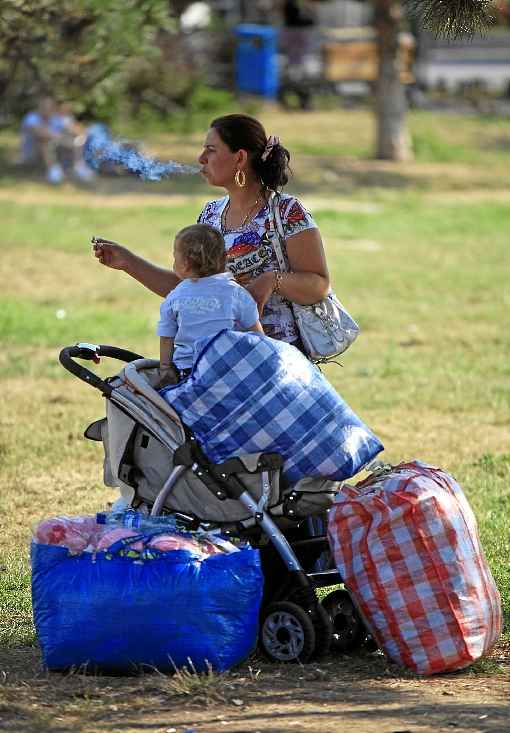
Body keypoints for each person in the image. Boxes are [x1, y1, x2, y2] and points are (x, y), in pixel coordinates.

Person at [93, 113, 330, 352]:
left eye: (211, 150)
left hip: (279, 359)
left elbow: (319, 286)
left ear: (239, 158)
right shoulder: (210, 215)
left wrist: (271, 281)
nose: (201, 158)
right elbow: (189, 289)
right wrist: (128, 262)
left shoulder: (286, 211)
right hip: (218, 358)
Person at [157, 223, 263, 386]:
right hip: (228, 372)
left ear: (184, 264)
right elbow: (258, 337)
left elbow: (166, 337)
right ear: (224, 258)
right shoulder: (236, 293)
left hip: (187, 372)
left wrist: (165, 369)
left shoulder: (175, 297)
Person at [19, 97, 94, 184]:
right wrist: (61, 138)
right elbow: (40, 133)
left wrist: (80, 134)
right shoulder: (31, 118)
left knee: (76, 141)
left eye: (50, 108)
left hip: (54, 148)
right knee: (44, 141)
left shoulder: (55, 118)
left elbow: (72, 129)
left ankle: (79, 167)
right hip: (32, 153)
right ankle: (53, 171)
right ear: (40, 108)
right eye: (45, 107)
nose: (48, 110)